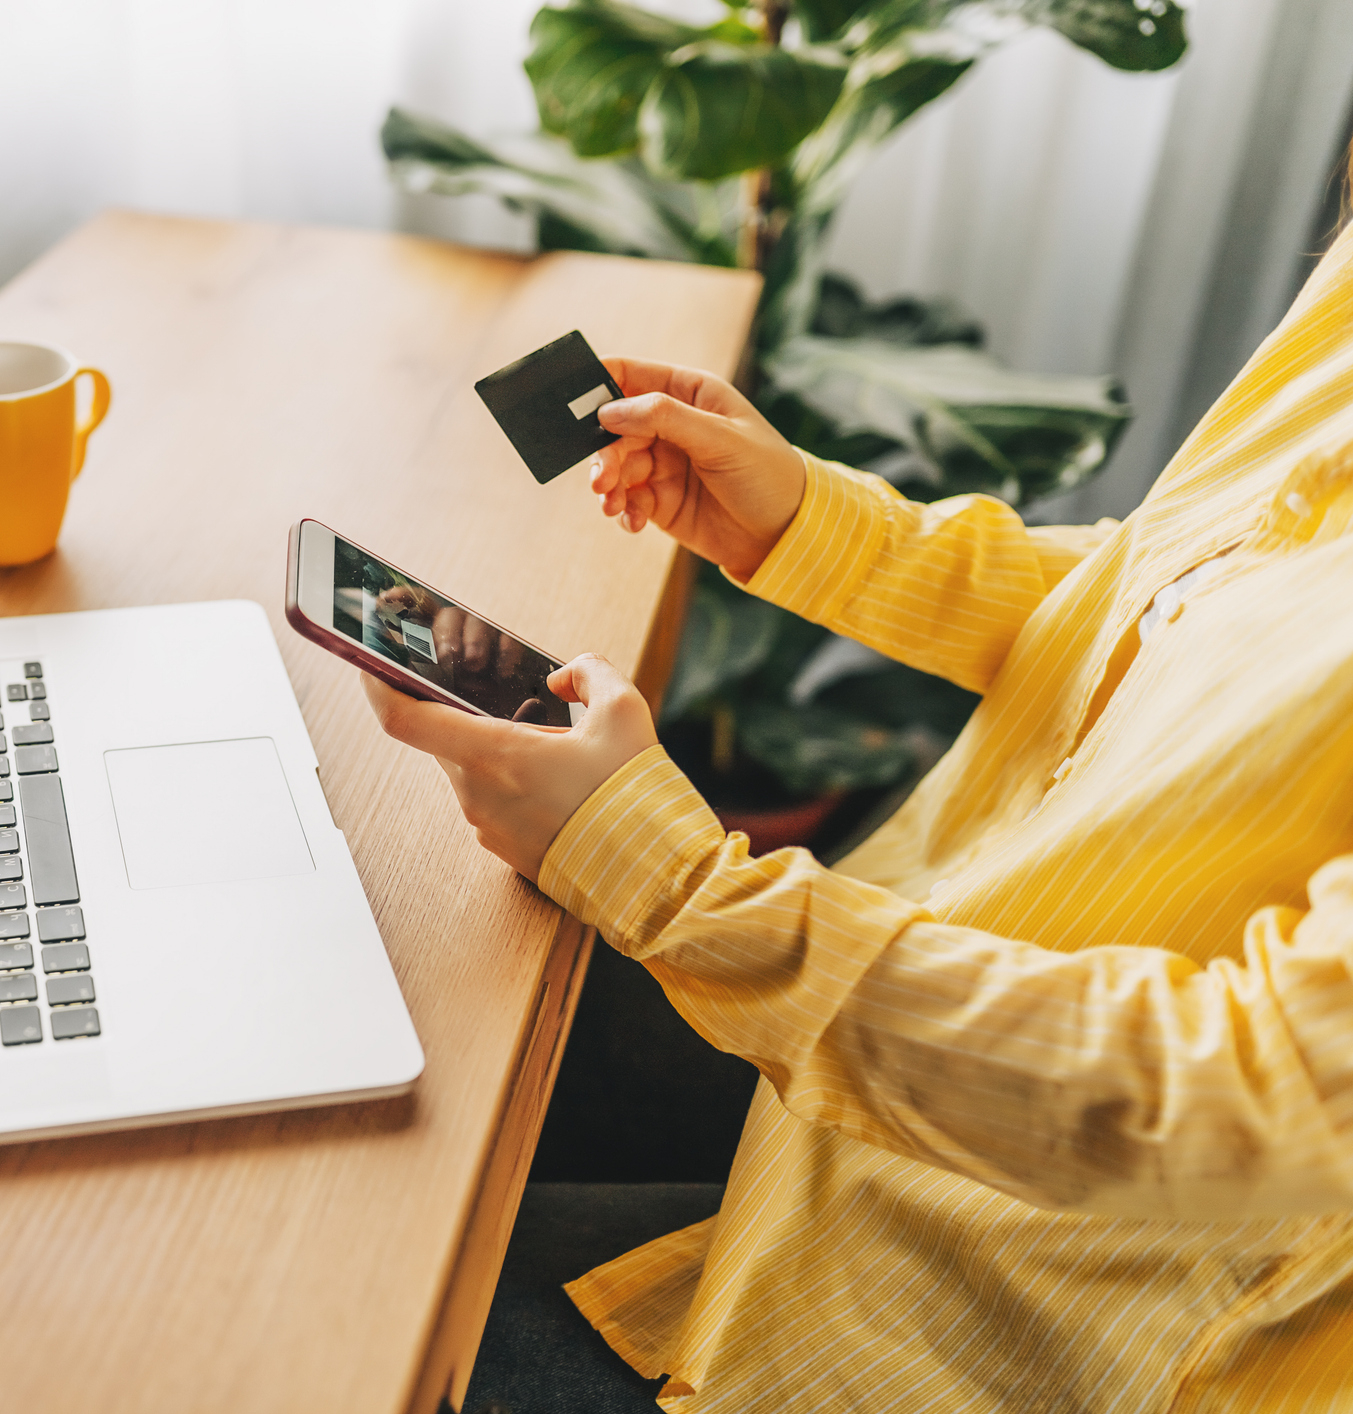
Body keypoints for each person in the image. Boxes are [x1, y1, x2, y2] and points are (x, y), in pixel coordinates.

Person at [366, 221, 1353, 1410]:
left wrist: (672, 883)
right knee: (398, 991)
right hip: (899, 1049)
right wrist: (805, 524)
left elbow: (1250, 1095)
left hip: (1010, 1309)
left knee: (344, 1305)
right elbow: (1202, 601)